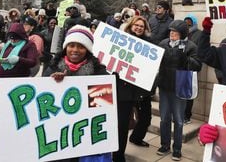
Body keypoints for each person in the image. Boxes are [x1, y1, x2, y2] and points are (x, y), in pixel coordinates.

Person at [43, 25, 110, 162]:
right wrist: (52, 83)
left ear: (87, 49)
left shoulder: (99, 73)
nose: (75, 50)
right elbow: (41, 99)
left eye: (80, 46)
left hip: (83, 134)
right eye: (71, 45)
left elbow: (103, 106)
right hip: (56, 135)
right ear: (65, 47)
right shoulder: (52, 68)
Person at [156, 20, 201, 161]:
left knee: (179, 120)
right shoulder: (163, 43)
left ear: (182, 34)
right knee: (164, 119)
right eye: (171, 31)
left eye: (175, 32)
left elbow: (197, 66)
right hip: (164, 86)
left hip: (180, 87)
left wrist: (185, 57)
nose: (172, 34)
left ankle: (177, 149)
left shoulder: (190, 46)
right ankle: (164, 145)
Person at [112, 16, 152, 162]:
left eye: (142, 26)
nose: (139, 28)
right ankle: (118, 156)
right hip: (124, 91)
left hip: (141, 91)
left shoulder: (149, 45)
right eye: (137, 25)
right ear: (131, 25)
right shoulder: (121, 40)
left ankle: (136, 138)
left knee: (145, 118)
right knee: (122, 126)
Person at [182, 14, 203, 124]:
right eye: (185, 22)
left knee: (188, 94)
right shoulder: (181, 34)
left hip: (191, 66)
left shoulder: (199, 34)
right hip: (180, 67)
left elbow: (200, 51)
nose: (187, 24)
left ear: (193, 23)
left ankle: (187, 116)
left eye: (189, 22)